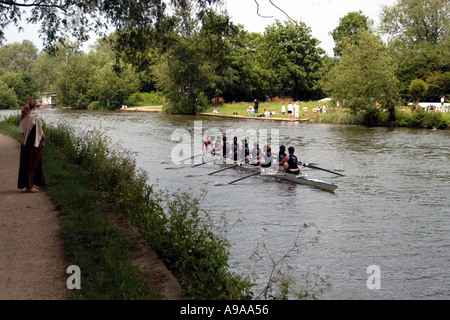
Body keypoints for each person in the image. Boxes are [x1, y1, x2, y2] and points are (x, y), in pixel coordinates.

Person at [17, 98, 46, 193]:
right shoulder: (35, 117)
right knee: (32, 165)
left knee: (26, 165)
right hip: (34, 145)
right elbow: (38, 133)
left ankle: (29, 185)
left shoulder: (25, 116)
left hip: (25, 144)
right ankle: (30, 187)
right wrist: (42, 141)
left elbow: (22, 131)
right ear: (35, 106)